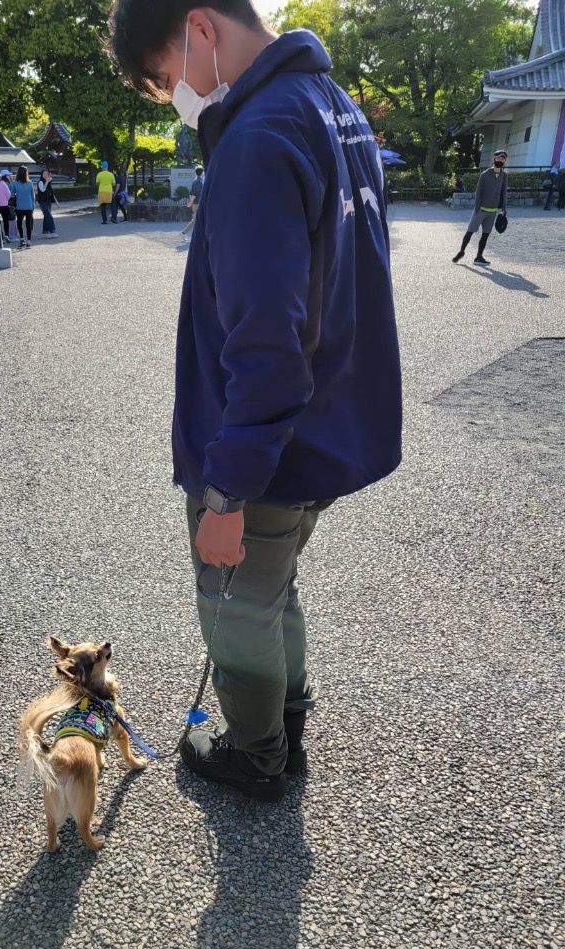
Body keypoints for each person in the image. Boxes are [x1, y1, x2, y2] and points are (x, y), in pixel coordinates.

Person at [108, 1, 401, 801]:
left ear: (201, 28)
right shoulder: (334, 107)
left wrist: (226, 492)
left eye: (167, 77)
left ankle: (256, 754)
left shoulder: (258, 135)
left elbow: (267, 337)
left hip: (266, 450)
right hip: (328, 425)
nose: (178, 97)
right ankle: (288, 719)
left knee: (234, 604)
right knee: (273, 588)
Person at [452, 150, 508, 266]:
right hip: (481, 209)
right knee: (470, 231)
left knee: (485, 234)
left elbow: (504, 192)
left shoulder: (504, 176)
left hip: (493, 211)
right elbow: (478, 192)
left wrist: (503, 208)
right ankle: (461, 252)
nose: (500, 160)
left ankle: (479, 257)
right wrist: (477, 207)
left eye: (502, 159)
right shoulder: (485, 175)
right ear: (494, 159)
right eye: (498, 158)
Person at [11, 164, 35, 248]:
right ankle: (29, 241)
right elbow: (33, 195)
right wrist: (33, 205)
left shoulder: (15, 183)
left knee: (19, 223)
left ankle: (22, 239)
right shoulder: (30, 183)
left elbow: (12, 194)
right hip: (29, 206)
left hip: (19, 206)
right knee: (28, 224)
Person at [181, 165, 204, 238]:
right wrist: (191, 202)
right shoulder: (199, 182)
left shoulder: (196, 181)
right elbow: (194, 193)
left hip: (196, 203)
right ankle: (183, 233)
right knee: (196, 219)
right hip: (197, 203)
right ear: (202, 173)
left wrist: (191, 202)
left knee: (197, 219)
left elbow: (191, 193)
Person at [37, 169, 59, 237]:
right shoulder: (40, 182)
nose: (45, 175)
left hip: (48, 202)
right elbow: (42, 190)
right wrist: (47, 182)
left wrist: (56, 202)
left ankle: (45, 232)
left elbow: (52, 193)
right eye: (44, 174)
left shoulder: (49, 183)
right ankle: (52, 231)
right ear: (42, 175)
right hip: (42, 202)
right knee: (49, 216)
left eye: (47, 174)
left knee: (46, 216)